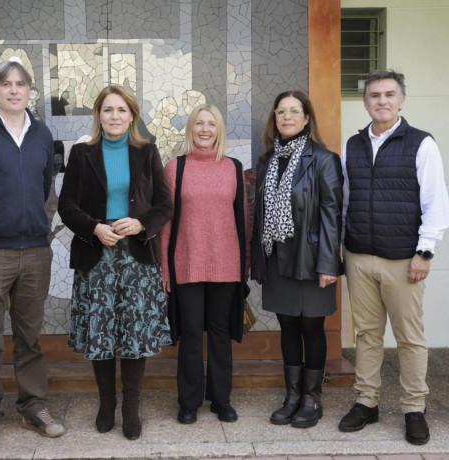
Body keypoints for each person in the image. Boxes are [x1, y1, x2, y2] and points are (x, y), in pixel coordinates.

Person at [339, 70, 449, 445]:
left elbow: (436, 203)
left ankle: (413, 408)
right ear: (365, 101)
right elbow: (345, 203)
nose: (381, 101)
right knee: (367, 334)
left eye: (389, 94)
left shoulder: (421, 143)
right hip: (358, 256)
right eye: (374, 95)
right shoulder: (352, 146)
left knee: (409, 337)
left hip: (404, 259)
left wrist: (424, 252)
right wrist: (341, 247)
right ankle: (366, 402)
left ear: (401, 100)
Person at [0, 58, 64, 451]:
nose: (14, 90)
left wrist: (38, 223)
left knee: (30, 336)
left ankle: (34, 405)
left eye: (21, 84)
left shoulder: (42, 134)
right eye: (6, 83)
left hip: (35, 250)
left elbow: (44, 187)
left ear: (30, 91)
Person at [58, 85, 172, 440]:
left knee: (135, 333)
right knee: (101, 331)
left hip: (137, 257)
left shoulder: (147, 152)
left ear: (132, 115)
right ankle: (107, 403)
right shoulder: (81, 153)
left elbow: (164, 205)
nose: (115, 116)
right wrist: (94, 228)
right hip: (97, 256)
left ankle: (131, 406)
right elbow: (67, 205)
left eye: (122, 110)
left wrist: (141, 224)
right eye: (108, 110)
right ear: (98, 115)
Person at [251, 91, 343, 428]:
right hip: (277, 258)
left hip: (311, 258)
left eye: (295, 111)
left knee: (311, 326)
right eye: (281, 112)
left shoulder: (323, 159)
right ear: (274, 119)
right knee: (287, 324)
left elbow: (332, 214)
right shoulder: (266, 161)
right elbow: (260, 215)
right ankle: (292, 395)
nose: (287, 117)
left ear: (307, 118)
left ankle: (312, 399)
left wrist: (329, 264)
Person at [160, 104, 250, 425]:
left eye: (212, 124)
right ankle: (189, 401)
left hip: (226, 265)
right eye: (199, 123)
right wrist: (165, 268)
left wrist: (245, 268)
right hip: (186, 264)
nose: (205, 129)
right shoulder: (175, 168)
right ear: (191, 129)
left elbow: (242, 222)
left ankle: (221, 399)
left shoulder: (233, 168)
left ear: (219, 130)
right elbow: (167, 223)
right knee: (190, 334)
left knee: (221, 333)